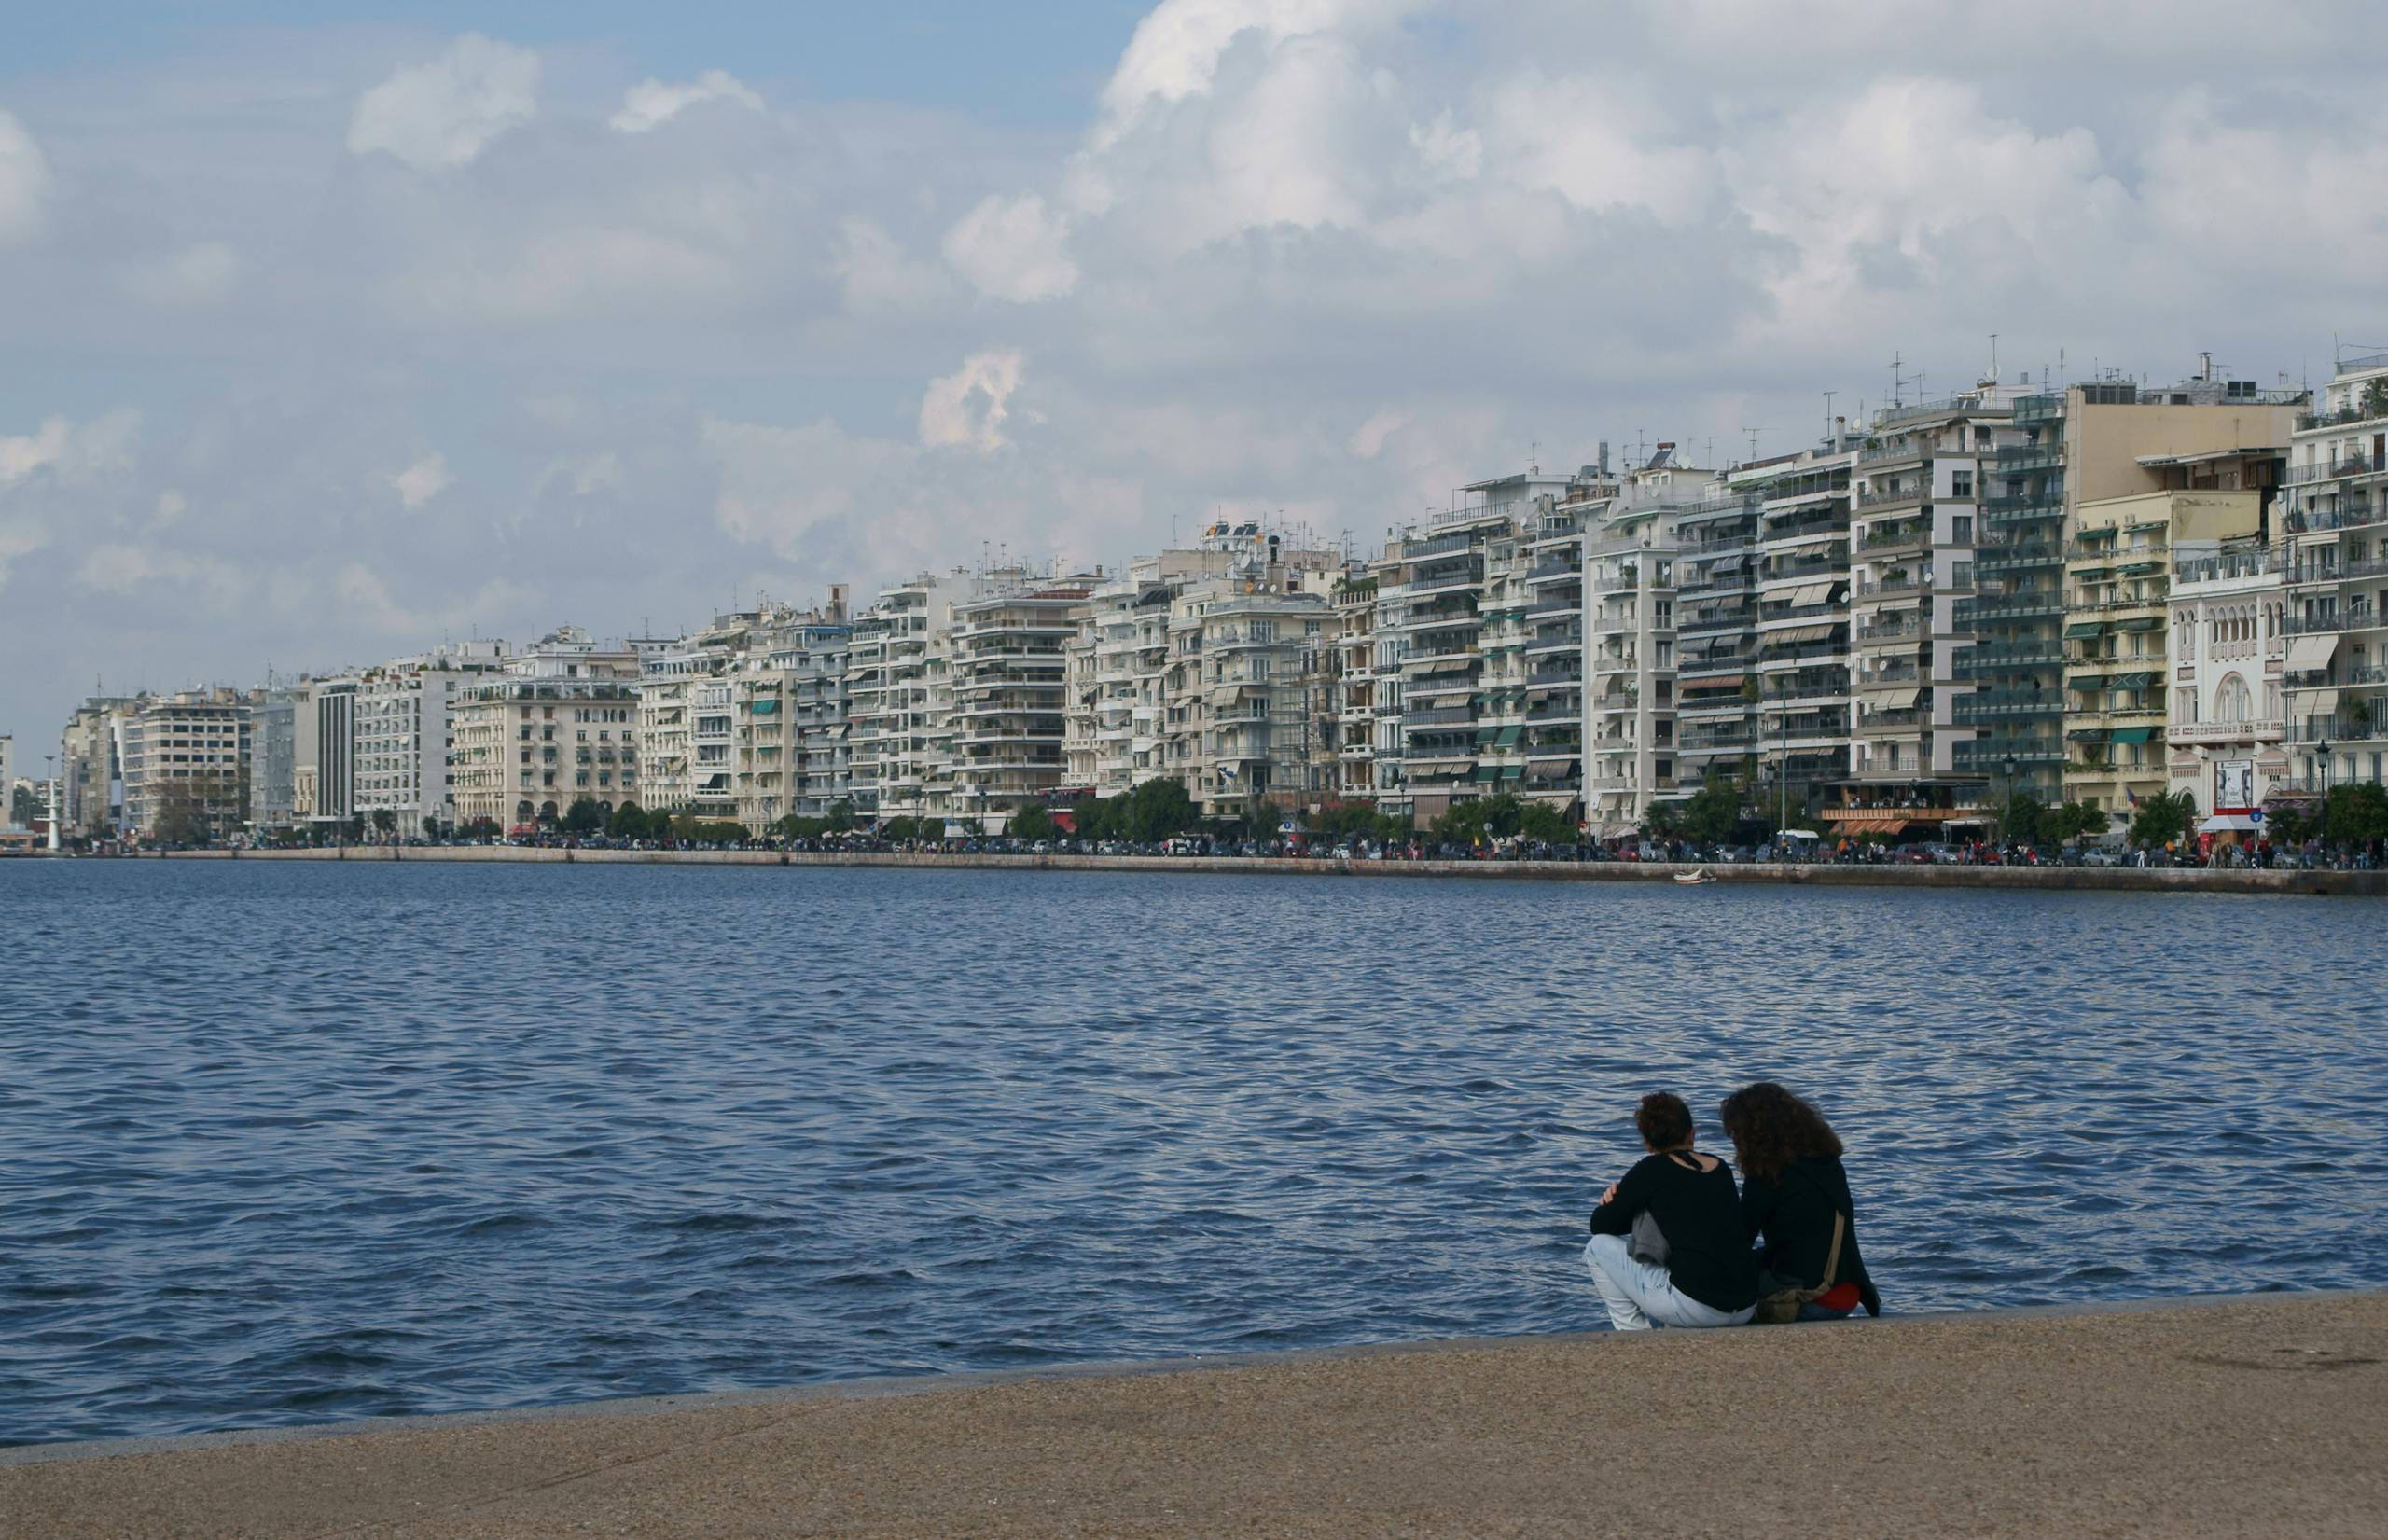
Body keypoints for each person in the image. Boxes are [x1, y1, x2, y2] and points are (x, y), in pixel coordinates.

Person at [1585, 1092, 1760, 1330]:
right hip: (1746, 1305)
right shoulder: (1720, 1168)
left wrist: (1610, 1200)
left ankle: (1632, 1335)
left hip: (1698, 1309)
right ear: (1692, 1134)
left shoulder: (1650, 1170)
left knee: (1596, 1248)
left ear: (1647, 1143)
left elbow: (1601, 1226)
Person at [1718, 1082, 1881, 1323]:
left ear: (1752, 1133)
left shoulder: (1767, 1175)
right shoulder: (1830, 1164)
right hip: (1848, 1294)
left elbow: (1740, 1242)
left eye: (1736, 1134)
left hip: (1805, 1299)